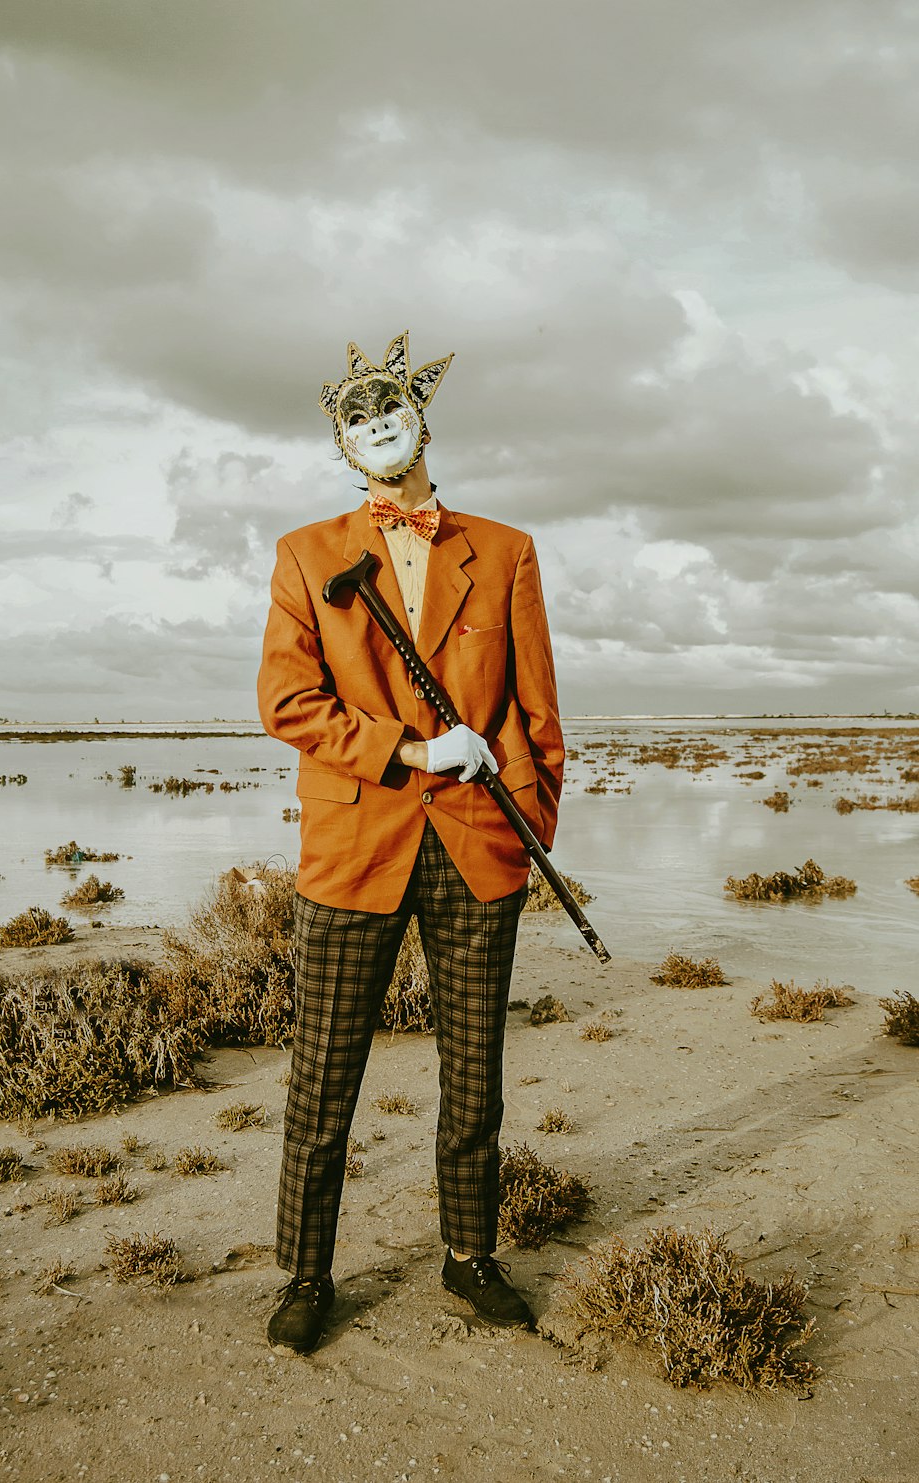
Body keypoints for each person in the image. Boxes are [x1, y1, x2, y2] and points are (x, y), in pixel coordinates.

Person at [256, 331, 564, 1354]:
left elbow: (537, 708)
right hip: (355, 847)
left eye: (389, 410)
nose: (377, 427)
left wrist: (527, 829)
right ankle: (307, 1275)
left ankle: (469, 1257)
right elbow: (288, 703)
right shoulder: (306, 554)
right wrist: (419, 752)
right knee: (322, 1081)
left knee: (474, 1076)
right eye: (356, 418)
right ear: (344, 445)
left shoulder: (507, 550)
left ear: (422, 418)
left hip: (479, 849)